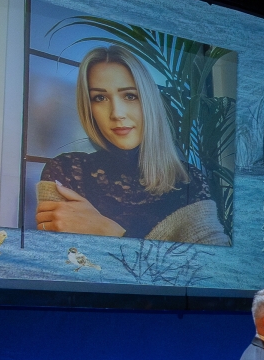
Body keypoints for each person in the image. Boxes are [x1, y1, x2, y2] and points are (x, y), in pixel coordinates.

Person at [36, 44, 230, 245]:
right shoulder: (66, 171)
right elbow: (55, 257)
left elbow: (211, 262)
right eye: (100, 98)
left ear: (148, 101)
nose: (117, 113)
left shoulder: (190, 180)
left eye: (130, 96)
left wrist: (109, 232)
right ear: (88, 107)